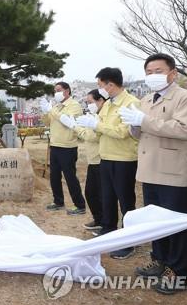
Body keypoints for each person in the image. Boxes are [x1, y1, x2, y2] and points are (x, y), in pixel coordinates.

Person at [119, 53, 187, 294]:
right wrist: (134, 124)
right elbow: (140, 133)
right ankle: (160, 261)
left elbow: (184, 129)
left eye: (158, 70)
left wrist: (143, 121)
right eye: (148, 72)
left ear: (172, 73)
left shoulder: (185, 98)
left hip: (174, 173)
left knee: (174, 226)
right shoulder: (145, 99)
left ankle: (181, 274)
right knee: (155, 223)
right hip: (150, 171)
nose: (152, 76)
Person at [76, 67, 140, 259]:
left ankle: (129, 241)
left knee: (125, 200)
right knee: (108, 198)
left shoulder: (131, 103)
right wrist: (89, 124)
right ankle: (109, 230)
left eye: (100, 85)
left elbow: (123, 132)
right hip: (106, 158)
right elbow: (99, 131)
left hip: (124, 160)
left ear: (110, 85)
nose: (100, 89)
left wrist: (97, 125)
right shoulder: (109, 104)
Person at [60, 89, 109, 230]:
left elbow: (92, 136)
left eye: (90, 102)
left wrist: (75, 127)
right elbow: (86, 134)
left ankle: (106, 223)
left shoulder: (101, 117)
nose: (88, 105)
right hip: (92, 160)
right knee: (90, 193)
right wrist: (79, 127)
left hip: (101, 159)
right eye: (87, 102)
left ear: (101, 101)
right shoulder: (94, 115)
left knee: (101, 194)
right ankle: (99, 219)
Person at [40, 82, 86, 215]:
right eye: (55, 91)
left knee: (70, 176)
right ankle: (58, 201)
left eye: (58, 90)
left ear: (67, 91)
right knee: (54, 176)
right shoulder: (56, 106)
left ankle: (80, 204)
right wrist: (45, 112)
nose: (56, 93)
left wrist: (51, 110)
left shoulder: (74, 105)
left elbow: (66, 121)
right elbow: (48, 122)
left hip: (67, 146)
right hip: (55, 145)